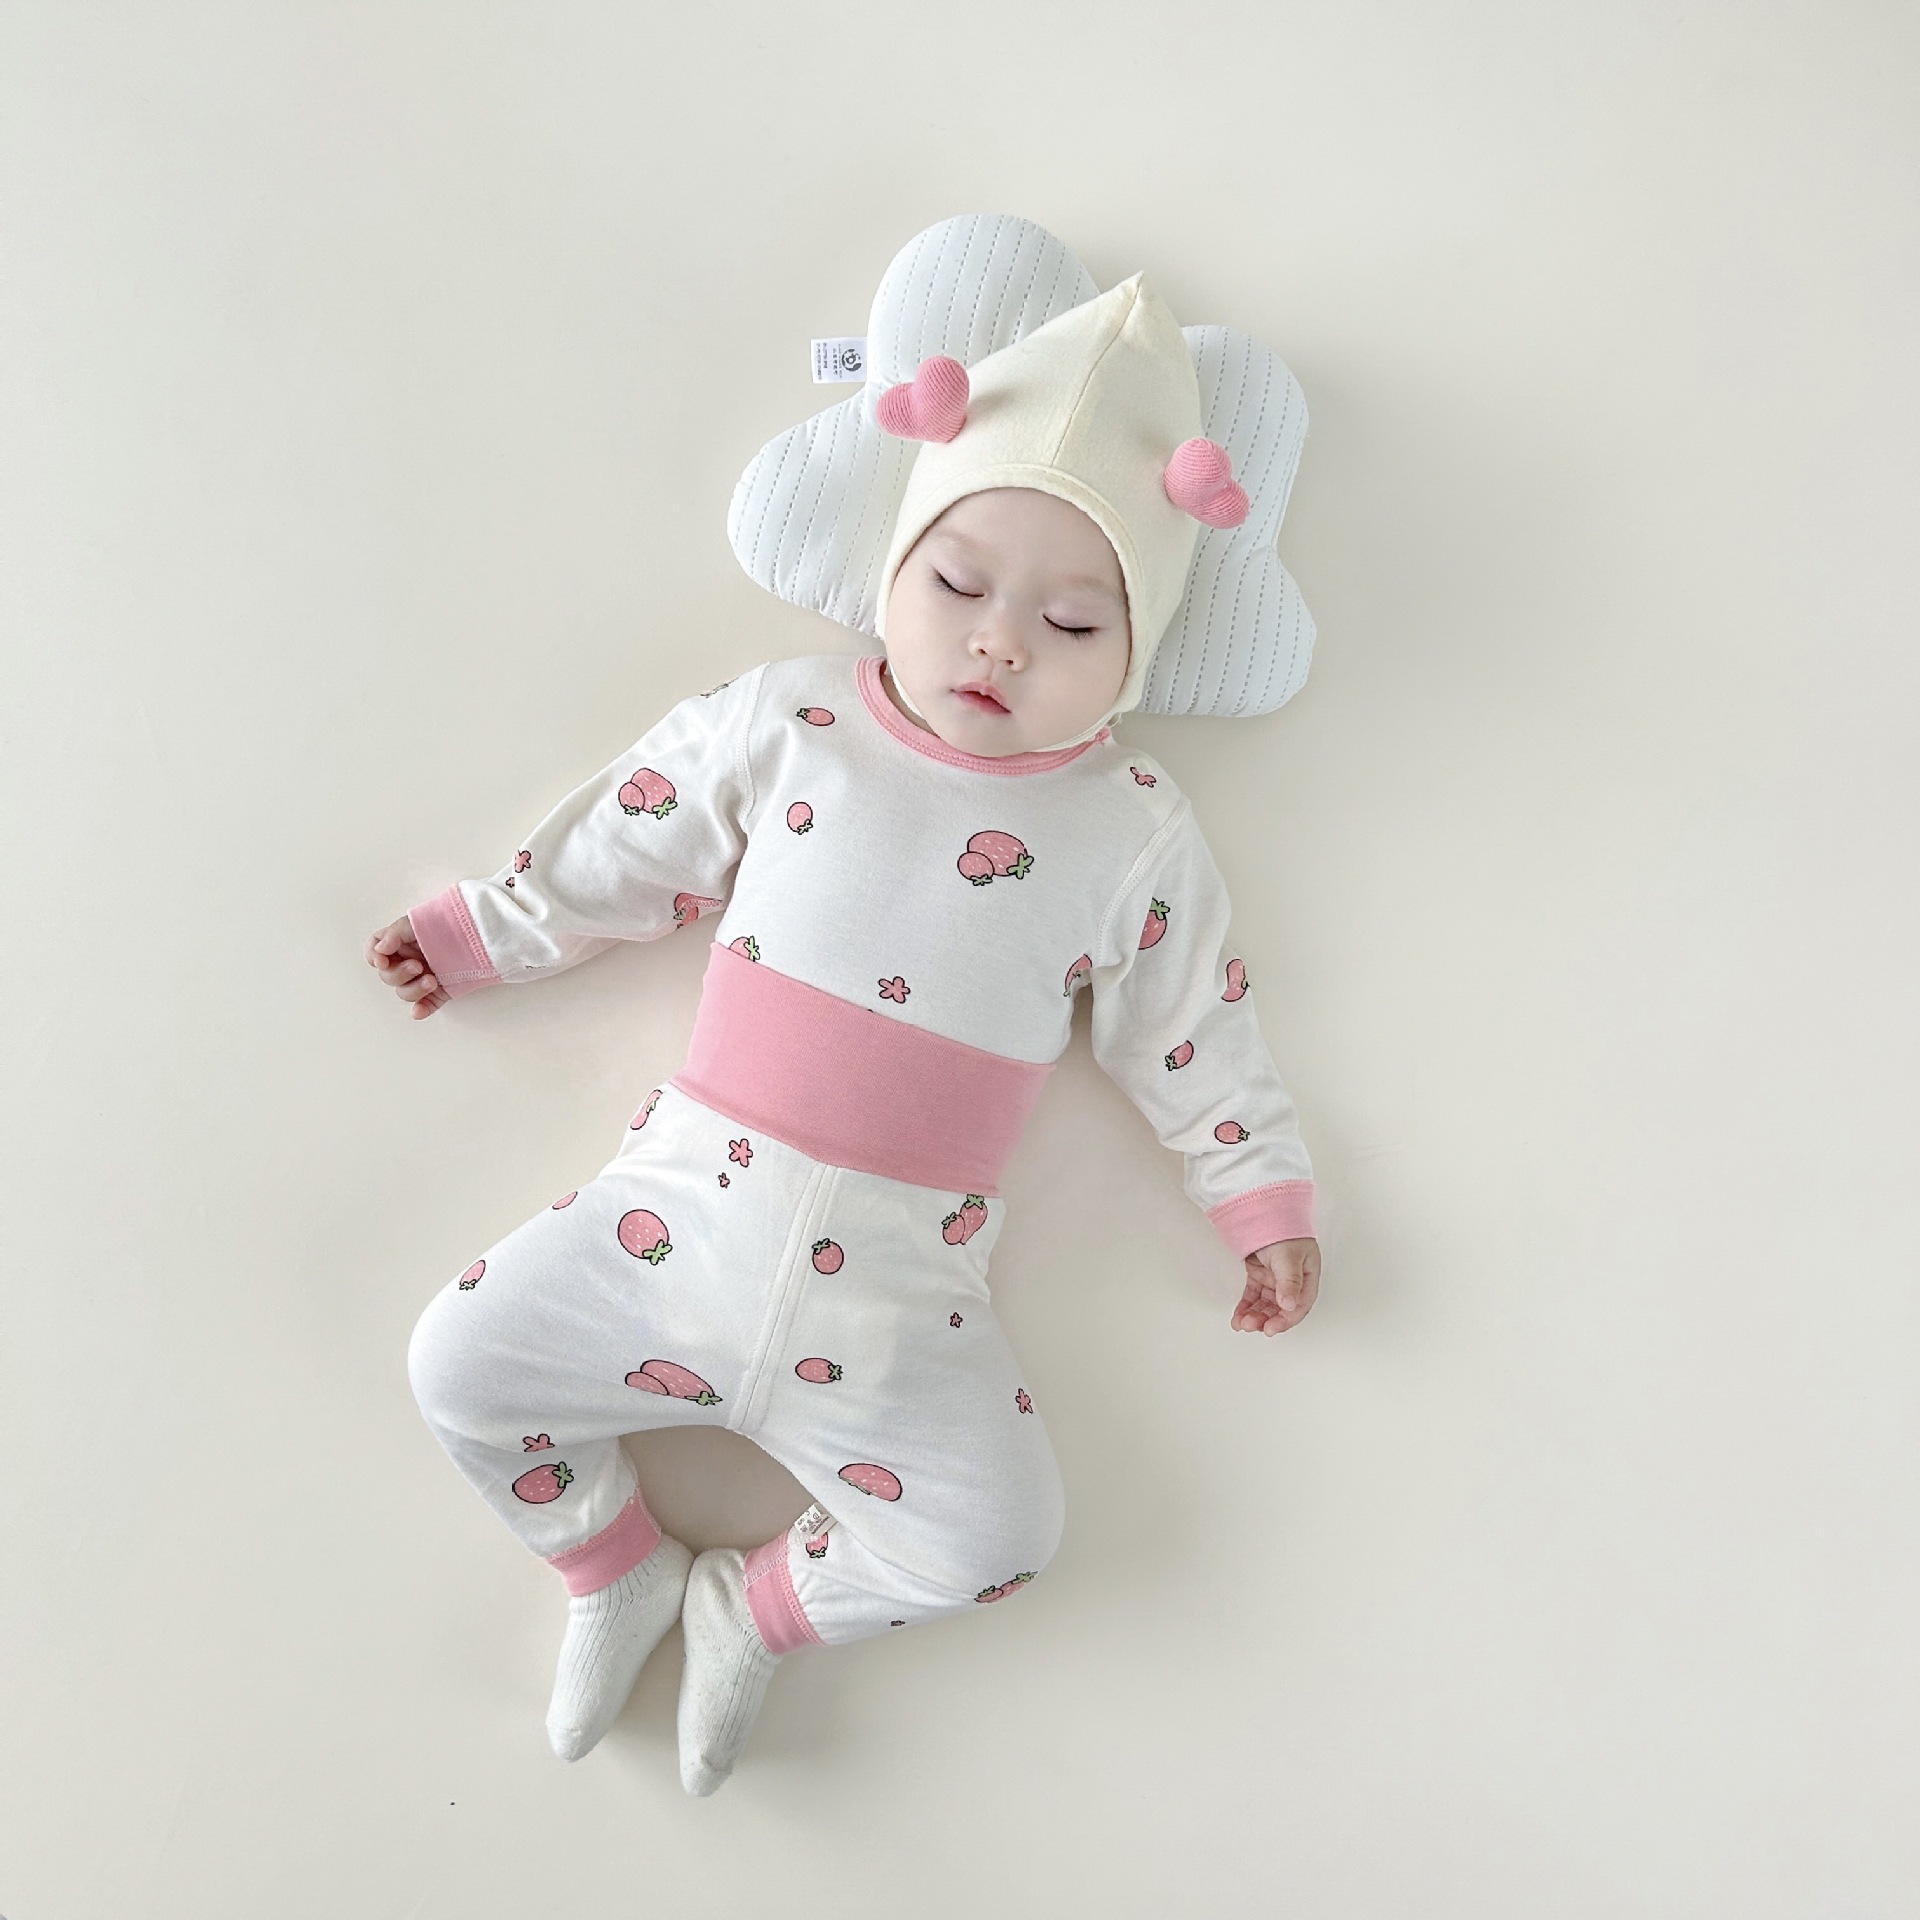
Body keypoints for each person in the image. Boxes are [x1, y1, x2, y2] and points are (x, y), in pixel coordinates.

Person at [368, 272, 1321, 1796]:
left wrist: (1258, 1199)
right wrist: (488, 932)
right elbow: (641, 836)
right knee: (456, 1367)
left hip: (896, 1309)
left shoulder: (1130, 827)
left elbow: (1189, 1025)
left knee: (1002, 1534)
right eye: (958, 587)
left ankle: (751, 1612)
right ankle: (612, 1564)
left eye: (1074, 621)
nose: (1000, 646)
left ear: (1134, 654)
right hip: (671, 1227)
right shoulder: (796, 718)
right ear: (895, 564)